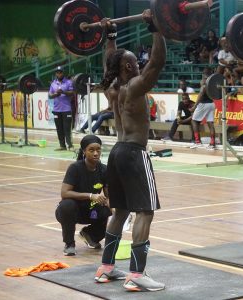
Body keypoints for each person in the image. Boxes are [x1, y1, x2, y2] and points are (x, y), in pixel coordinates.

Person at [95, 10, 167, 292]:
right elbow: (158, 61)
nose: (139, 65)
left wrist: (110, 35)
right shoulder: (136, 86)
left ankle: (106, 267)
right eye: (135, 62)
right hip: (135, 152)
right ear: (127, 67)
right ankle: (137, 274)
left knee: (122, 210)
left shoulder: (113, 86)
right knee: (145, 211)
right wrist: (155, 26)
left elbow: (109, 60)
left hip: (116, 152)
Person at [55, 135, 110, 256]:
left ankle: (90, 235)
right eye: (91, 150)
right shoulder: (75, 168)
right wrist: (90, 195)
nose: (96, 153)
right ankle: (69, 243)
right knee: (67, 205)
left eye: (98, 150)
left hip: (91, 211)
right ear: (84, 151)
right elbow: (64, 193)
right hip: (72, 211)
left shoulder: (104, 170)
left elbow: (108, 195)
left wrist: (116, 210)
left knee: (109, 209)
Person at [48, 66, 74, 151]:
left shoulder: (68, 82)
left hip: (66, 109)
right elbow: (50, 95)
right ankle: (62, 145)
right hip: (56, 110)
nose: (59, 74)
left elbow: (72, 93)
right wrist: (56, 94)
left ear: (63, 73)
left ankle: (70, 145)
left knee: (67, 129)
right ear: (56, 73)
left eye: (60, 72)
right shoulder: (53, 83)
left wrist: (63, 92)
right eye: (57, 72)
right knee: (59, 129)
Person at [190, 79, 216, 150]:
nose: (200, 81)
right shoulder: (212, 86)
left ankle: (198, 142)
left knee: (194, 121)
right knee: (210, 124)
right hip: (211, 104)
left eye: (201, 80)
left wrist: (194, 106)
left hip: (203, 104)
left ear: (205, 80)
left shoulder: (204, 86)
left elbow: (201, 94)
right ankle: (212, 143)